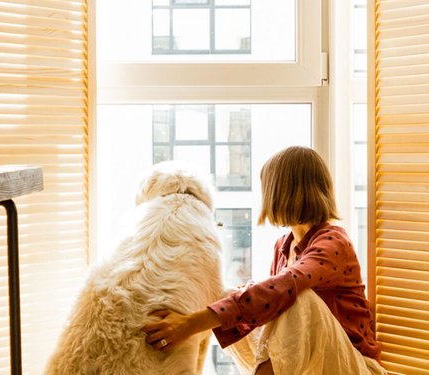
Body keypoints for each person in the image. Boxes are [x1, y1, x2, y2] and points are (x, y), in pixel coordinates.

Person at [142, 146, 385, 375]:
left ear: (283, 192)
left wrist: (190, 324)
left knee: (297, 298)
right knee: (228, 294)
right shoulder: (283, 246)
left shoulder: (334, 243)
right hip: (313, 363)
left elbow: (285, 286)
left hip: (354, 366)